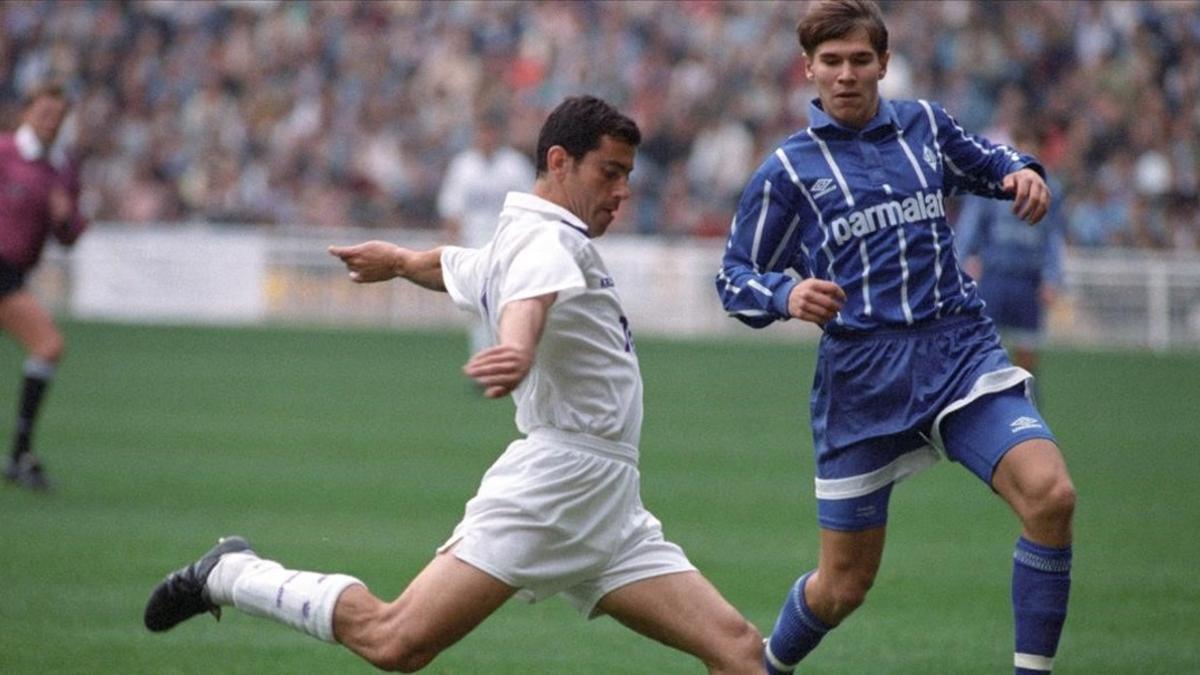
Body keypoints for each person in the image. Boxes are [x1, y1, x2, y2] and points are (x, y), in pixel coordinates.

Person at [144, 96, 764, 674]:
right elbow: (529, 296)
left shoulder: (521, 237)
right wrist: (518, 345)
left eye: (627, 175)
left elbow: (456, 266)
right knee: (396, 640)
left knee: (740, 655)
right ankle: (231, 573)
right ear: (558, 162)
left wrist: (399, 262)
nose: (623, 190)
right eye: (609, 173)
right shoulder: (547, 239)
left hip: (610, 501)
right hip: (558, 483)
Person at [714, 2, 1076, 674]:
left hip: (957, 353)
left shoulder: (924, 125)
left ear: (882, 62)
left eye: (859, 60)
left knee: (1051, 495)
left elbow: (990, 163)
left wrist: (1024, 171)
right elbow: (733, 276)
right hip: (862, 382)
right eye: (831, 61)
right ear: (808, 69)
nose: (846, 74)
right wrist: (785, 293)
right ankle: (769, 667)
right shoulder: (788, 170)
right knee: (842, 587)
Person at [0, 83, 87, 491]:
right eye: (43, 114)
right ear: (26, 114)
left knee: (48, 347)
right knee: (48, 345)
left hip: (14, 273)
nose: (50, 123)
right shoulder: (5, 154)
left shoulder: (61, 168)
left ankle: (19, 453)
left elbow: (69, 235)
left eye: (57, 116)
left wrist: (65, 217)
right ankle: (19, 454)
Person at [955, 126, 1067, 395]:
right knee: (986, 351)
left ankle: (1028, 411)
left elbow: (1053, 237)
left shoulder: (1051, 188)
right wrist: (960, 266)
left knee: (1027, 357)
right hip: (994, 276)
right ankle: (986, 409)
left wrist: (1052, 278)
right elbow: (971, 227)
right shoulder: (995, 183)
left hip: (1028, 282)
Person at [436, 107, 535, 357]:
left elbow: (530, 209)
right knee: (477, 308)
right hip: (473, 248)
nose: (486, 137)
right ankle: (484, 360)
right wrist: (451, 249)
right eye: (482, 132)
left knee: (508, 306)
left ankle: (507, 357)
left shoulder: (515, 166)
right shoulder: (463, 166)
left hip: (507, 247)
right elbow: (452, 211)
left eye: (490, 132)